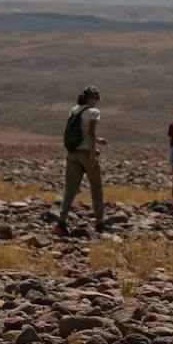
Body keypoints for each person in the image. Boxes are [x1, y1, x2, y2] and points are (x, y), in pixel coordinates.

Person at [56, 86, 105, 237]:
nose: (96, 102)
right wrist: (92, 153)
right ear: (91, 98)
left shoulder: (74, 109)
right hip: (85, 153)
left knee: (70, 189)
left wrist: (97, 141)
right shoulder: (93, 112)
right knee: (96, 187)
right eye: (96, 99)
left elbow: (80, 132)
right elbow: (90, 132)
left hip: (72, 153)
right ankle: (99, 224)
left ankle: (61, 223)